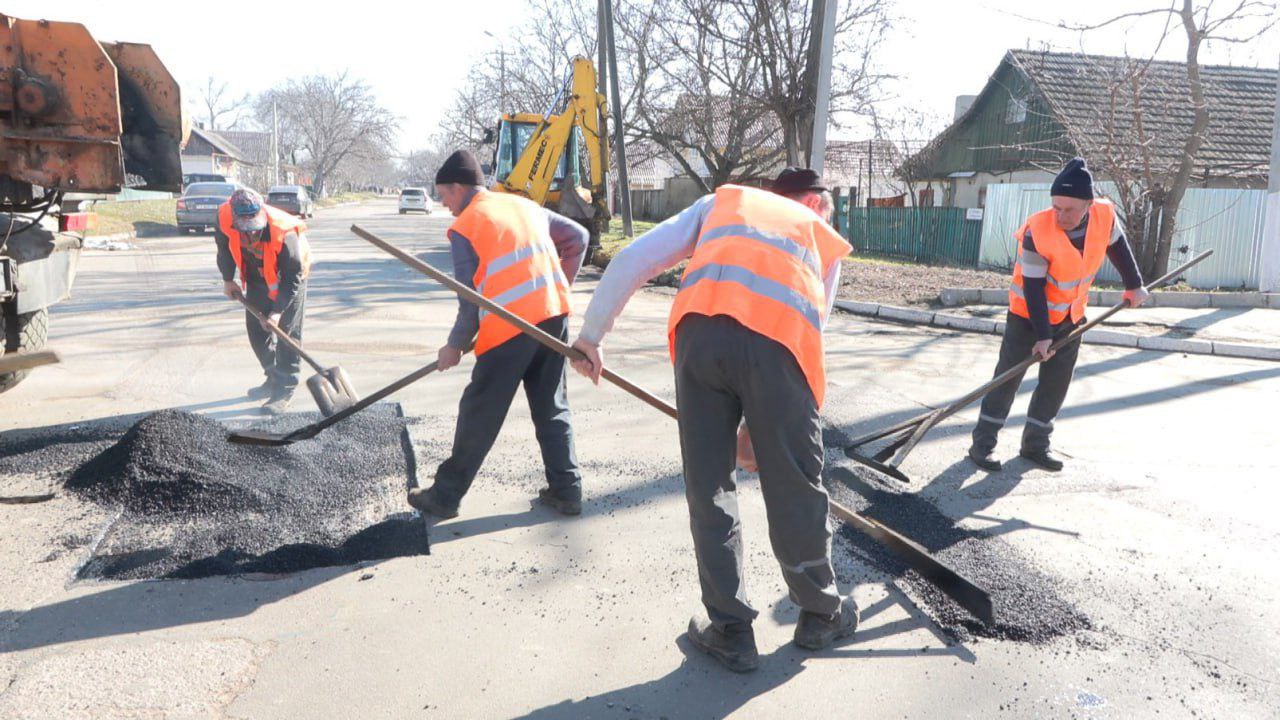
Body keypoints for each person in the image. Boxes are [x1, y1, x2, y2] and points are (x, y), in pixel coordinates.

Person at [569, 168, 856, 673]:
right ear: (815, 202)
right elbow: (811, 329)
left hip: (699, 341)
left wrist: (591, 336)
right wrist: (762, 432)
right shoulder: (818, 234)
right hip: (780, 348)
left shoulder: (723, 203)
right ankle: (819, 613)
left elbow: (635, 258)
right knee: (794, 483)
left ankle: (730, 630)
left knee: (710, 486)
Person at [408, 150, 588, 519]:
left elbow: (469, 302)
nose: (444, 205)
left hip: (509, 329)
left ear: (458, 188)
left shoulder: (467, 225)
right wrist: (555, 290)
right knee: (551, 406)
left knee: (480, 411)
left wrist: (454, 346)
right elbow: (578, 238)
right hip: (553, 316)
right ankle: (567, 489)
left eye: (443, 196)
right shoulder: (524, 206)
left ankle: (444, 497)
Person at [967, 157, 1149, 473]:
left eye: (1069, 209)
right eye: (1056, 207)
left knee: (1055, 384)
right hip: (1027, 318)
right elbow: (1033, 288)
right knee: (1007, 380)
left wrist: (1134, 285)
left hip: (1071, 316)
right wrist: (1042, 337)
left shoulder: (1104, 216)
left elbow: (1118, 248)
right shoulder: (1037, 230)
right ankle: (982, 445)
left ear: (1088, 205)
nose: (1061, 216)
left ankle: (1035, 445)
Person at [216, 187, 312, 415]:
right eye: (245, 228)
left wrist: (277, 312)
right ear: (234, 216)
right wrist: (228, 279)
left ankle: (284, 390)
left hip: (289, 278)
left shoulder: (285, 232)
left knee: (287, 334)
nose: (251, 233)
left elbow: (292, 277)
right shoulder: (223, 215)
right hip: (257, 275)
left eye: (255, 227)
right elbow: (224, 247)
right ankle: (273, 377)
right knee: (257, 332)